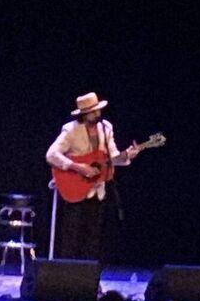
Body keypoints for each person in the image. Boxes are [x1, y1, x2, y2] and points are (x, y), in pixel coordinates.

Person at [45, 90, 141, 261]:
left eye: (98, 109)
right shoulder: (71, 130)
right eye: (93, 111)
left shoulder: (106, 128)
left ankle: (88, 280)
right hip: (75, 189)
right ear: (84, 114)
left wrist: (126, 156)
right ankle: (67, 279)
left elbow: (112, 158)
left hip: (98, 189)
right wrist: (78, 167)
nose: (98, 113)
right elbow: (51, 155)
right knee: (72, 237)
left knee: (93, 239)